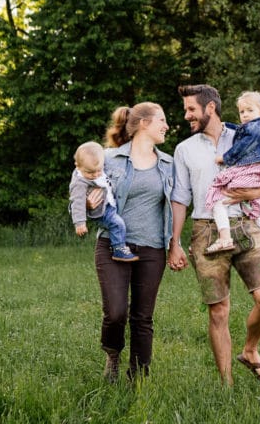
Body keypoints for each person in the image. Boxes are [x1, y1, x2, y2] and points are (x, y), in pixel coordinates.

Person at [168, 84, 260, 386]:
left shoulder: (243, 135)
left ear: (210, 108)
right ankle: (226, 385)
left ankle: (250, 351)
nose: (186, 114)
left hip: (245, 223)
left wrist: (254, 191)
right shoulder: (184, 150)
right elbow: (180, 197)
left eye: (191, 109)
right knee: (219, 311)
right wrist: (174, 243)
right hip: (205, 231)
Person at [86, 102, 174, 383]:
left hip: (152, 249)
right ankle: (112, 353)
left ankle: (139, 377)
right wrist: (89, 205)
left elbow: (178, 206)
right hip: (112, 245)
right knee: (115, 312)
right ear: (144, 123)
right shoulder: (109, 159)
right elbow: (87, 201)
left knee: (142, 317)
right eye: (162, 120)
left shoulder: (169, 164)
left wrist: (176, 244)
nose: (167, 126)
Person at [204, 91, 260, 266]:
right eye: (242, 112)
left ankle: (224, 238)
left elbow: (243, 144)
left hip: (248, 170)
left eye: (250, 110)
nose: (245, 114)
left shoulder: (257, 127)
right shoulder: (257, 126)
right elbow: (243, 131)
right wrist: (229, 125)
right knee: (258, 213)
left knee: (217, 198)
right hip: (255, 172)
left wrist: (226, 157)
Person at [69, 141, 139, 262]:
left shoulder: (97, 167)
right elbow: (77, 203)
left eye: (99, 170)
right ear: (77, 166)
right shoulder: (79, 183)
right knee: (117, 224)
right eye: (90, 173)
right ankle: (119, 249)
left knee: (118, 223)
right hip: (101, 210)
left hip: (109, 205)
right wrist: (80, 223)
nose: (95, 175)